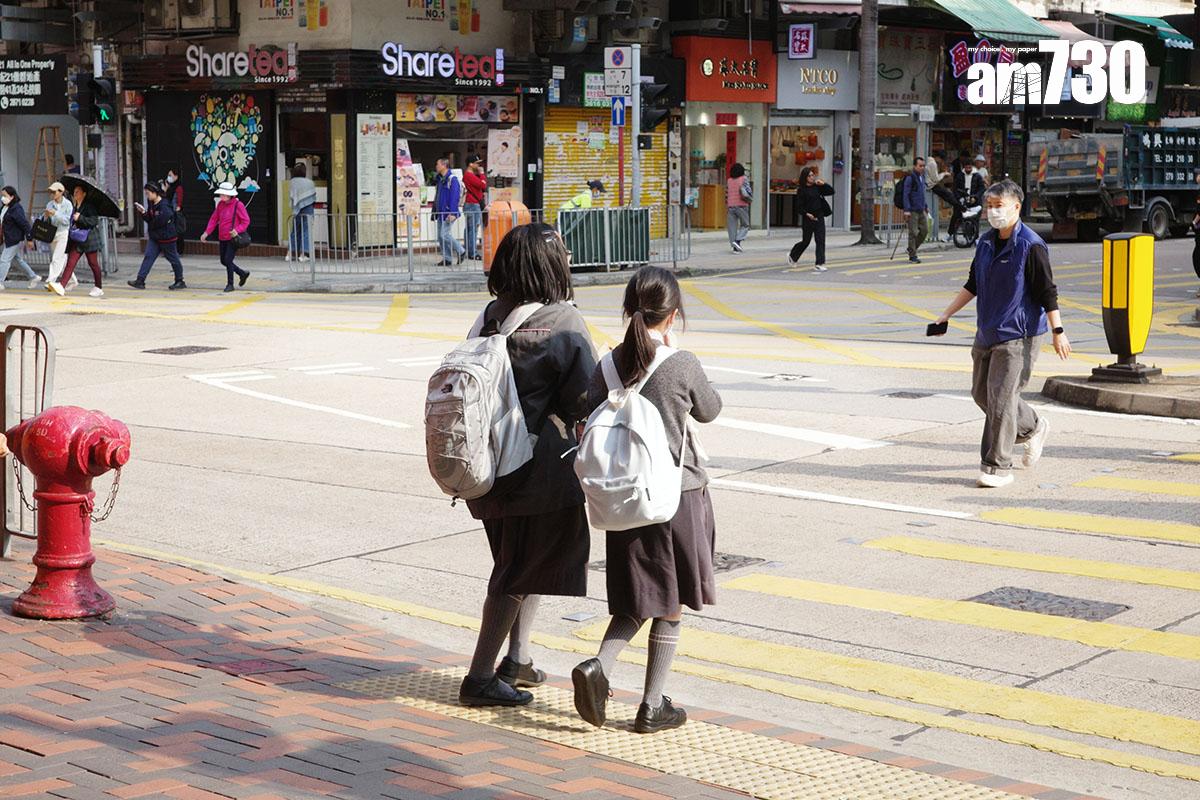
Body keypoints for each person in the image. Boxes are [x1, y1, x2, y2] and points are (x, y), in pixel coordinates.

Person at [572, 266, 722, 735]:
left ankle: (600, 665)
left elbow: (587, 409)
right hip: (676, 498)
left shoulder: (609, 365)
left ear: (627, 309)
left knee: (638, 597)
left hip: (624, 497)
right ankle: (652, 705)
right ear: (673, 315)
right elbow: (710, 410)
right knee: (670, 602)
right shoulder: (681, 363)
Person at [458, 222, 597, 707]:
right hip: (536, 473)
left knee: (518, 562)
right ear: (550, 264)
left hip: (485, 467)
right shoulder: (562, 321)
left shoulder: (489, 316)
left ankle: (517, 659)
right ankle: (479, 678)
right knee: (516, 573)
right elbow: (587, 397)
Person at [932, 180, 1071, 488]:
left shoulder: (1030, 245)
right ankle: (1033, 427)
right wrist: (946, 314)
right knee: (982, 394)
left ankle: (997, 467)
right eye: (990, 205)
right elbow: (973, 283)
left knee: (1000, 400)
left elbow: (1047, 292)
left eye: (999, 205)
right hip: (987, 330)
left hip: (1018, 335)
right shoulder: (984, 242)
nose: (993, 211)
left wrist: (1057, 330)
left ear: (1016, 207)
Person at [128, 183, 185, 291]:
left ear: (155, 193)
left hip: (167, 238)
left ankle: (180, 280)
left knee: (173, 259)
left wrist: (150, 221)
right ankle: (140, 280)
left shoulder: (164, 205)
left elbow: (159, 221)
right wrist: (144, 213)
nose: (147, 196)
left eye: (148, 193)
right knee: (148, 257)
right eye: (146, 193)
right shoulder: (152, 203)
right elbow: (151, 219)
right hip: (155, 238)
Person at [50, 185, 104, 298]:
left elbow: (94, 221)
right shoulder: (75, 206)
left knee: (93, 264)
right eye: (74, 191)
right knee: (71, 262)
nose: (75, 194)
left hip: (89, 240)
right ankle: (61, 286)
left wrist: (80, 218)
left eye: (78, 192)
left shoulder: (89, 206)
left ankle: (98, 287)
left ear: (84, 193)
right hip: (78, 240)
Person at [199, 182, 251, 293]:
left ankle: (230, 284)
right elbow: (214, 219)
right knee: (224, 260)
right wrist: (206, 233)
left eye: (223, 194)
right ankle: (242, 273)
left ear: (229, 195)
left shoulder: (238, 205)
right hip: (222, 237)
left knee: (228, 259)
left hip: (232, 238)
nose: (220, 196)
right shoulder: (221, 205)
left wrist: (237, 230)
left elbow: (246, 221)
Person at [788, 167, 834, 272]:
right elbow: (799, 207)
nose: (812, 177)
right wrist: (807, 214)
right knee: (806, 241)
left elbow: (831, 192)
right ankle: (793, 255)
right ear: (805, 177)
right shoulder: (801, 190)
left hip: (819, 215)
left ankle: (820, 263)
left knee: (820, 239)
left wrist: (824, 184)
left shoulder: (817, 187)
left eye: (813, 175)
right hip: (808, 217)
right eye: (810, 176)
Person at [0, 187, 41, 289]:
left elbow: (24, 224)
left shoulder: (16, 208)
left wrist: (29, 238)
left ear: (12, 196)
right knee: (17, 260)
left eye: (5, 195)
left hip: (14, 238)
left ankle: (0, 281)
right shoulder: (5, 207)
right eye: (2, 195)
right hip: (8, 238)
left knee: (4, 260)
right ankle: (33, 276)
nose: (3, 198)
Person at [433, 158, 465, 266]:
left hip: (448, 212)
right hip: (440, 212)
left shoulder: (452, 179)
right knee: (440, 236)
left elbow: (454, 197)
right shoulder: (440, 179)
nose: (436, 166)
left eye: (437, 164)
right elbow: (438, 196)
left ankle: (461, 250)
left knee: (444, 234)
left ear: (443, 165)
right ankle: (447, 259)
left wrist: (453, 213)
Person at [43, 181, 74, 290]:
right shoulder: (50, 204)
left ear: (61, 192)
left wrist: (55, 214)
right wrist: (46, 216)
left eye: (54, 191)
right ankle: (72, 280)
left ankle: (50, 280)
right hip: (52, 233)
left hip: (63, 233)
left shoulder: (68, 204)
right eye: (50, 192)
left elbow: (66, 221)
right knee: (62, 259)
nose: (52, 194)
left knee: (56, 257)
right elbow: (44, 219)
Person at [948, 160, 986, 241]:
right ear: (963, 167)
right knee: (956, 216)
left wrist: (975, 197)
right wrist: (959, 198)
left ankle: (974, 238)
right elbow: (955, 189)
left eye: (970, 167)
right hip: (962, 201)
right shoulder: (960, 176)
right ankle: (950, 234)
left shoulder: (977, 176)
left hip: (974, 202)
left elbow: (982, 188)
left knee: (974, 220)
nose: (968, 169)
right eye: (966, 168)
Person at [287, 162, 317, 263]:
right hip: (308, 208)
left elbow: (292, 196)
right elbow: (313, 197)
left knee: (294, 231)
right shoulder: (310, 182)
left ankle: (289, 254)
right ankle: (303, 254)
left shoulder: (292, 182)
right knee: (306, 231)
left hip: (296, 208)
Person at [901, 157, 929, 263]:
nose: (922, 168)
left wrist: (925, 206)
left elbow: (921, 194)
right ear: (915, 166)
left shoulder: (922, 178)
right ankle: (913, 255)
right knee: (913, 232)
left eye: (923, 166)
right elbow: (906, 194)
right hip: (912, 209)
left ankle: (911, 248)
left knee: (925, 230)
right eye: (920, 166)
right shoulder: (910, 178)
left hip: (921, 208)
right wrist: (906, 210)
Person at [462, 155, 487, 261]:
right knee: (473, 229)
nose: (478, 165)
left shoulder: (469, 175)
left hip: (471, 204)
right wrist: (482, 174)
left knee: (469, 228)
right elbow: (483, 185)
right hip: (473, 205)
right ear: (470, 164)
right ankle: (472, 253)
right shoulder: (469, 175)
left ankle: (468, 250)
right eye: (477, 163)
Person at [726, 163, 751, 253]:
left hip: (730, 206)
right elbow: (748, 191)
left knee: (732, 227)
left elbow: (726, 194)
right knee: (745, 225)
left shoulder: (729, 181)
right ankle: (738, 241)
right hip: (741, 205)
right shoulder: (744, 179)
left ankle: (735, 247)